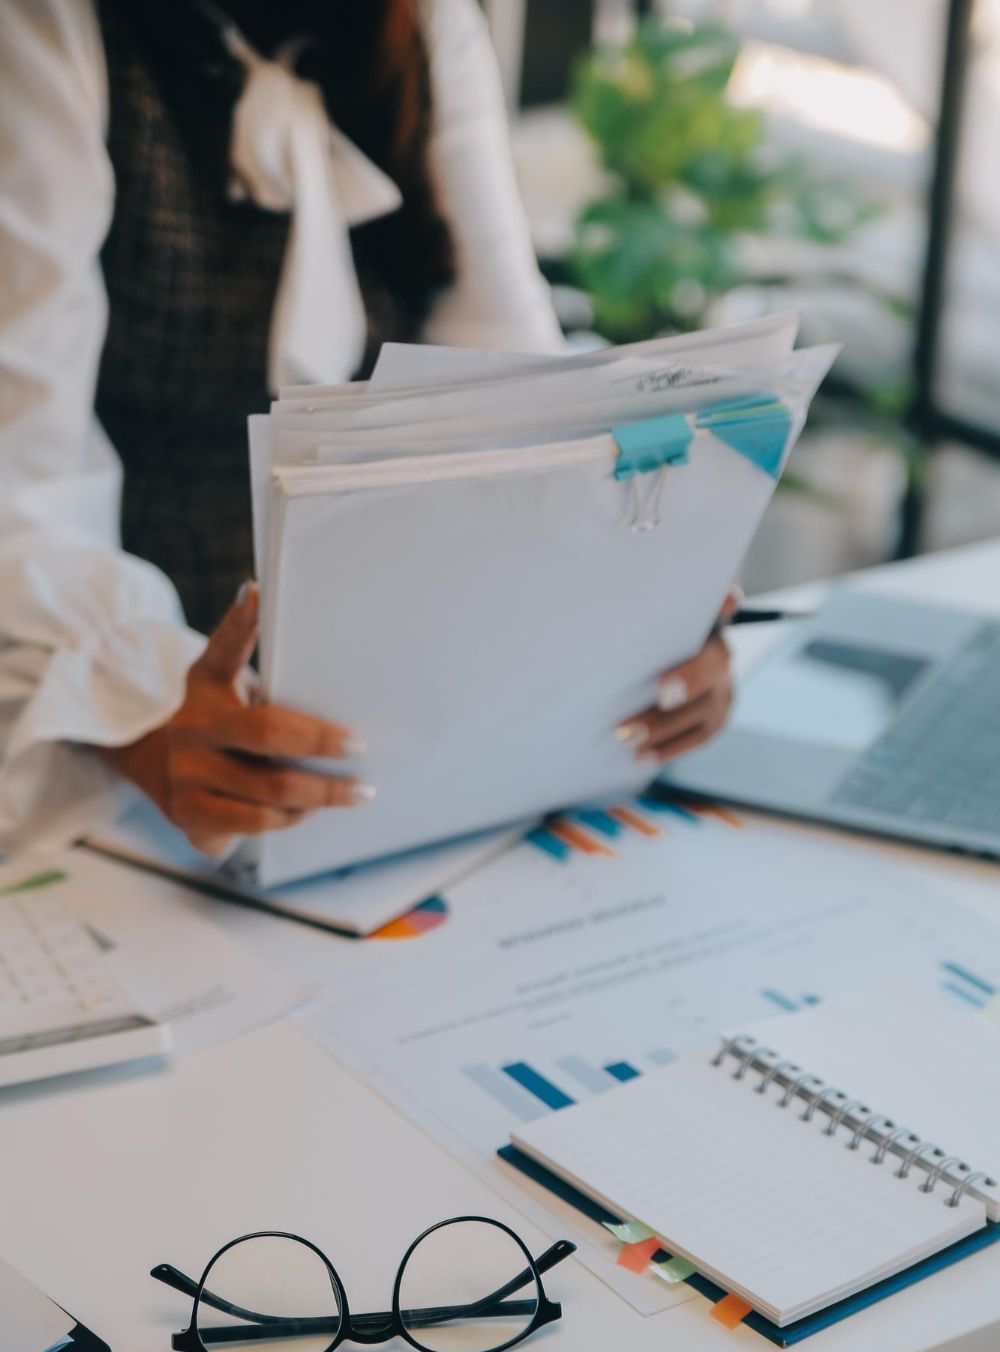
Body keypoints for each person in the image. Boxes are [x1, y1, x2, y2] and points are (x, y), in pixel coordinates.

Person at [0, 0, 734, 861]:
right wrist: (146, 715)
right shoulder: (48, 26)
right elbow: (23, 478)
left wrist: (645, 630)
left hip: (382, 729)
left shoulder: (427, 26)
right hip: (94, 705)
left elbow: (512, 392)